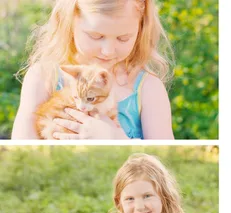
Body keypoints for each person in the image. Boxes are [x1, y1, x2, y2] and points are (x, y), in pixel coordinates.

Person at [12, 0, 174, 140]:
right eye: (96, 36)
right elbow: (21, 143)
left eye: (123, 38)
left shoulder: (149, 89)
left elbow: (164, 151)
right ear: (70, 21)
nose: (108, 51)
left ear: (141, 30)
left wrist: (116, 138)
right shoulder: (44, 76)